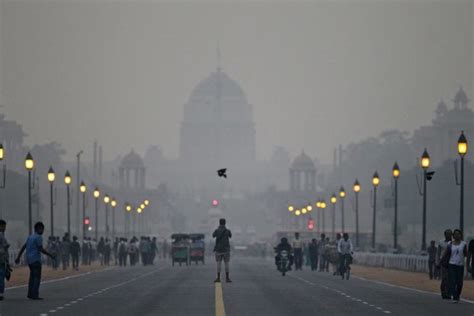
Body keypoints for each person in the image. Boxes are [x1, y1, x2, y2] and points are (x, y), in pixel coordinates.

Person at [15, 222, 55, 300]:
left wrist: (18, 257)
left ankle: (30, 293)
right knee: (37, 277)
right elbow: (41, 249)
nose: (42, 231)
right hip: (36, 259)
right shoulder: (38, 237)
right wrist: (50, 255)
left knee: (32, 277)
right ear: (38, 229)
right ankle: (35, 294)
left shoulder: (30, 237)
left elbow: (24, 247)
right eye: (42, 229)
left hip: (29, 260)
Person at [442, 229, 467, 303]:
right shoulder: (450, 243)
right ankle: (455, 296)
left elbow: (466, 254)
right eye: (455, 234)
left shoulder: (464, 244)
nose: (457, 235)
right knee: (452, 281)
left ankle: (458, 294)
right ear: (453, 235)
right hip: (451, 264)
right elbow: (445, 253)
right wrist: (441, 261)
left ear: (461, 235)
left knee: (459, 282)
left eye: (458, 234)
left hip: (460, 265)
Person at [213, 218, 232, 283]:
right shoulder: (227, 231)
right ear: (225, 223)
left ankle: (218, 278)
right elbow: (230, 236)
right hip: (226, 249)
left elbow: (213, 235)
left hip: (218, 249)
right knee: (226, 263)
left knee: (219, 263)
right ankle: (227, 278)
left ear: (219, 223)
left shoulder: (217, 230)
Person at [437, 229, 452, 299]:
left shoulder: (453, 243)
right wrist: (438, 262)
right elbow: (438, 254)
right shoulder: (441, 243)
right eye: (447, 234)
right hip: (443, 262)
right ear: (445, 235)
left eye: (450, 234)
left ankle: (448, 293)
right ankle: (443, 292)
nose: (449, 235)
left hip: (452, 262)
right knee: (444, 278)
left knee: (450, 279)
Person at [0, 220, 10, 301]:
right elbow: (2, 248)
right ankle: (1, 293)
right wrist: (6, 246)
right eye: (4, 226)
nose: (5, 228)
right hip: (1, 260)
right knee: (1, 277)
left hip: (3, 259)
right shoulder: (0, 235)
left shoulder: (2, 235)